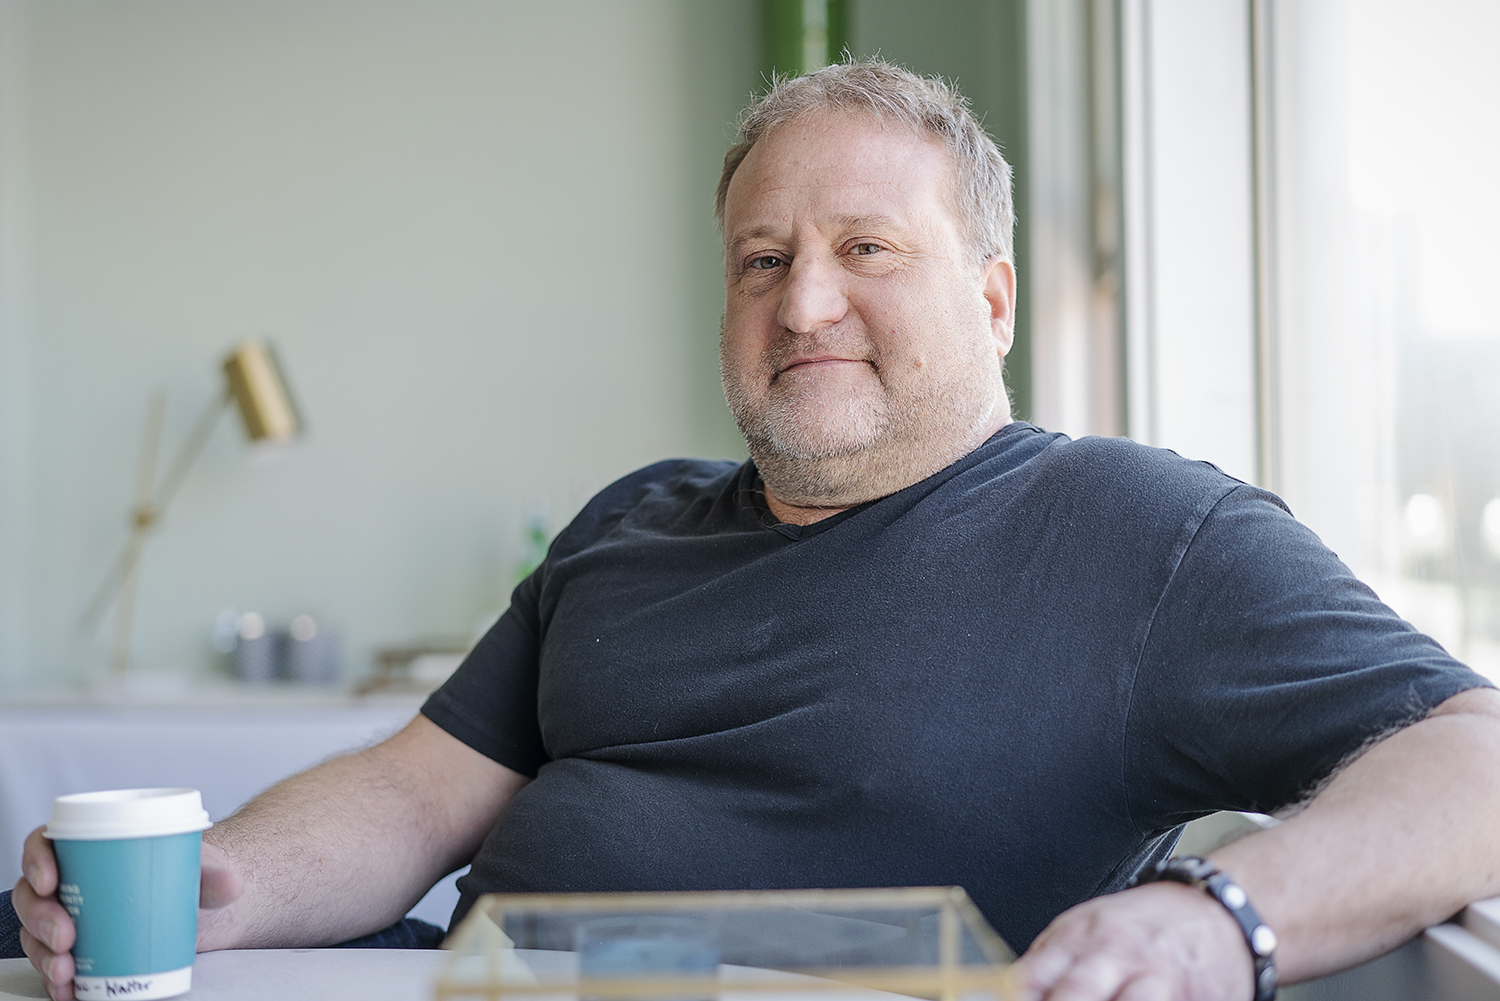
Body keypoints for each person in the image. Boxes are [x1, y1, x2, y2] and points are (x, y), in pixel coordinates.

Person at [11, 59, 1500, 1001]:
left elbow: (1478, 760)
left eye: (866, 251)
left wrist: (1219, 918)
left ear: (991, 300)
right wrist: (220, 888)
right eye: (763, 259)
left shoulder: (1143, 532)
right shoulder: (630, 523)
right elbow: (412, 801)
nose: (802, 302)